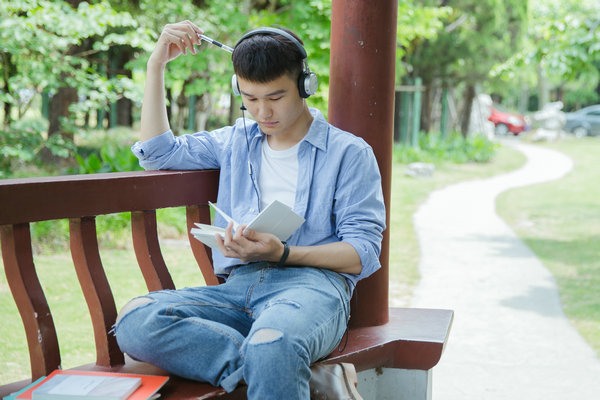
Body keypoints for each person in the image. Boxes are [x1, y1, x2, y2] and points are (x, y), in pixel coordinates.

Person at [113, 20, 386, 400]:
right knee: (136, 319)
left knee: (274, 341)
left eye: (275, 98)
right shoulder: (235, 142)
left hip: (313, 288)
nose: (262, 112)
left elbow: (363, 252)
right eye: (250, 98)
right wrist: (155, 65)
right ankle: (290, 370)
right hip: (239, 289)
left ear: (306, 86)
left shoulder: (349, 154)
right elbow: (158, 154)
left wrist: (283, 253)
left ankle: (274, 356)